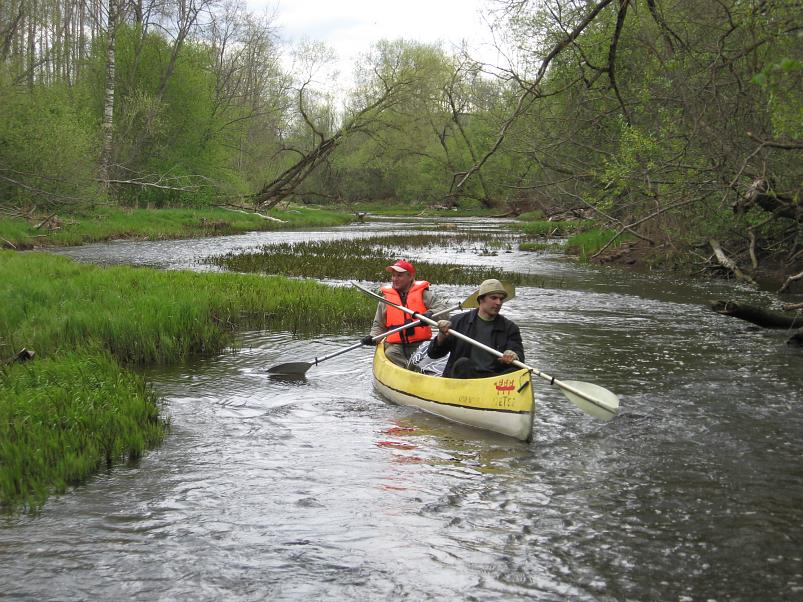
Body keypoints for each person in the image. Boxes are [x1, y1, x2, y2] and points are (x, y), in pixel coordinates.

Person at [427, 278, 524, 379]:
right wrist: (441, 335)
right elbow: (433, 354)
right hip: (463, 377)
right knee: (462, 364)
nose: (498, 302)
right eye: (494, 298)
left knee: (515, 371)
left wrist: (514, 355)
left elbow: (519, 355)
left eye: (501, 299)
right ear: (481, 299)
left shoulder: (510, 328)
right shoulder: (457, 322)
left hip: (493, 379)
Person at [361, 259, 450, 368]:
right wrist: (373, 338)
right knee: (390, 354)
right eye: (393, 276)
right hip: (396, 346)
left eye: (399, 276)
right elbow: (379, 325)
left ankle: (417, 370)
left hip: (420, 342)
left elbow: (444, 312)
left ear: (410, 277)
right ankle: (410, 370)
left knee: (431, 356)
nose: (395, 279)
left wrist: (430, 314)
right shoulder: (385, 300)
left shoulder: (424, 295)